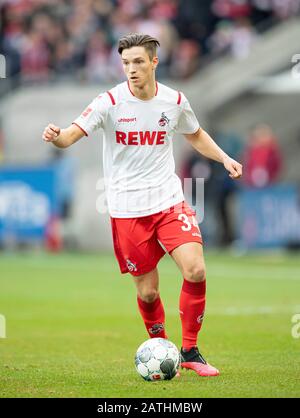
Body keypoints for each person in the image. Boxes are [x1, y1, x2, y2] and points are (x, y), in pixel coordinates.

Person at [42, 33, 242, 377]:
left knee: (195, 269)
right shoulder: (108, 102)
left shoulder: (174, 100)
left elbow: (194, 133)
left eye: (137, 62)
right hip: (127, 211)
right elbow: (71, 135)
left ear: (154, 62)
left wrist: (224, 158)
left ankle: (191, 350)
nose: (131, 70)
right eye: (125, 63)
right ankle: (165, 353)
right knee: (149, 293)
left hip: (169, 201)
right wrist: (57, 136)